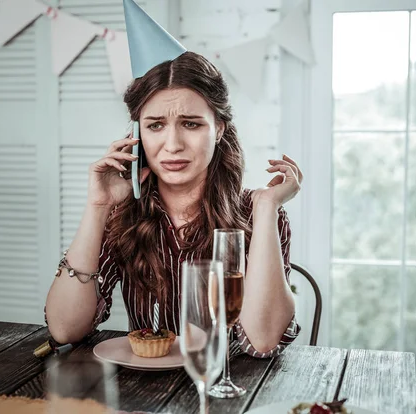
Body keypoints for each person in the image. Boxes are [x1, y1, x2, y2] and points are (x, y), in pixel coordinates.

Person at [45, 0, 301, 358]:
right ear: (137, 133)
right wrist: (97, 207)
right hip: (141, 396)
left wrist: (268, 206)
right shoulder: (121, 214)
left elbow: (262, 339)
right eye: (155, 126)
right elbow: (63, 328)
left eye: (191, 124)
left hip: (232, 394)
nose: (173, 145)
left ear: (219, 129)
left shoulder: (257, 212)